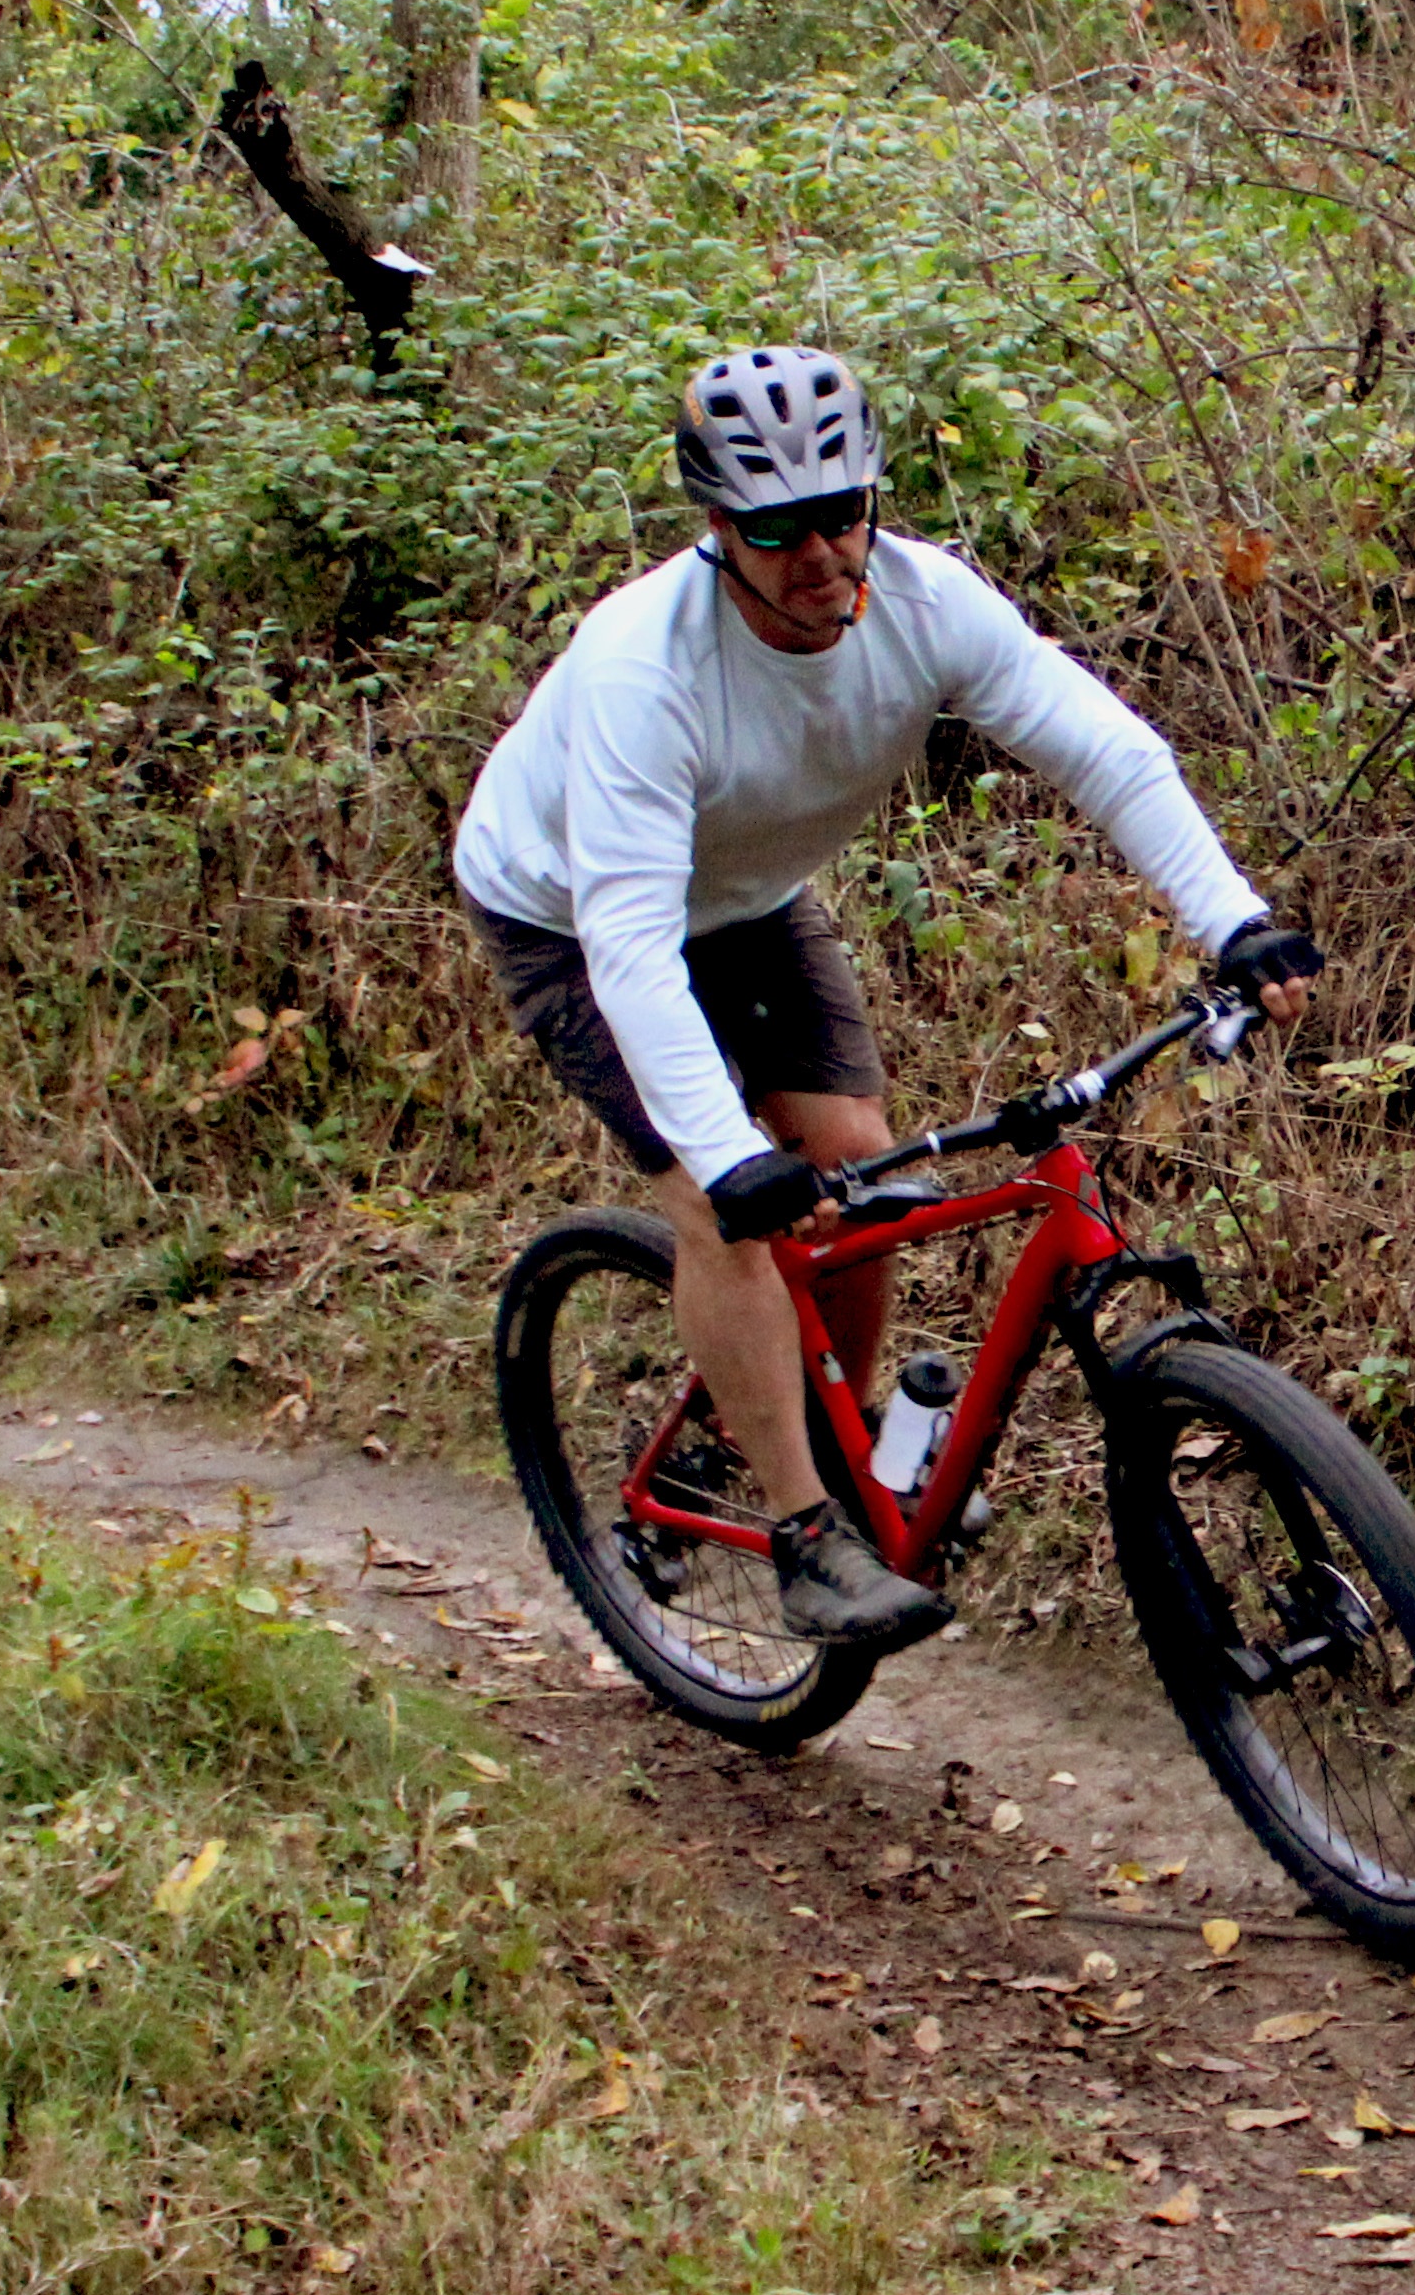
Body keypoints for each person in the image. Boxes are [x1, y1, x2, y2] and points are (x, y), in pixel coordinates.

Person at [454, 344, 1320, 1656]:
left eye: (840, 512)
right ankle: (808, 1536)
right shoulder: (645, 667)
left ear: (873, 500)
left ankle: (811, 1439)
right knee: (722, 1203)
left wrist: (1233, 920)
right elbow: (629, 939)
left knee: (854, 1175)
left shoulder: (928, 603)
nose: (816, 553)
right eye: (774, 526)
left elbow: (1105, 749)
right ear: (716, 532)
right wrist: (729, 1151)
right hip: (569, 912)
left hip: (748, 896)